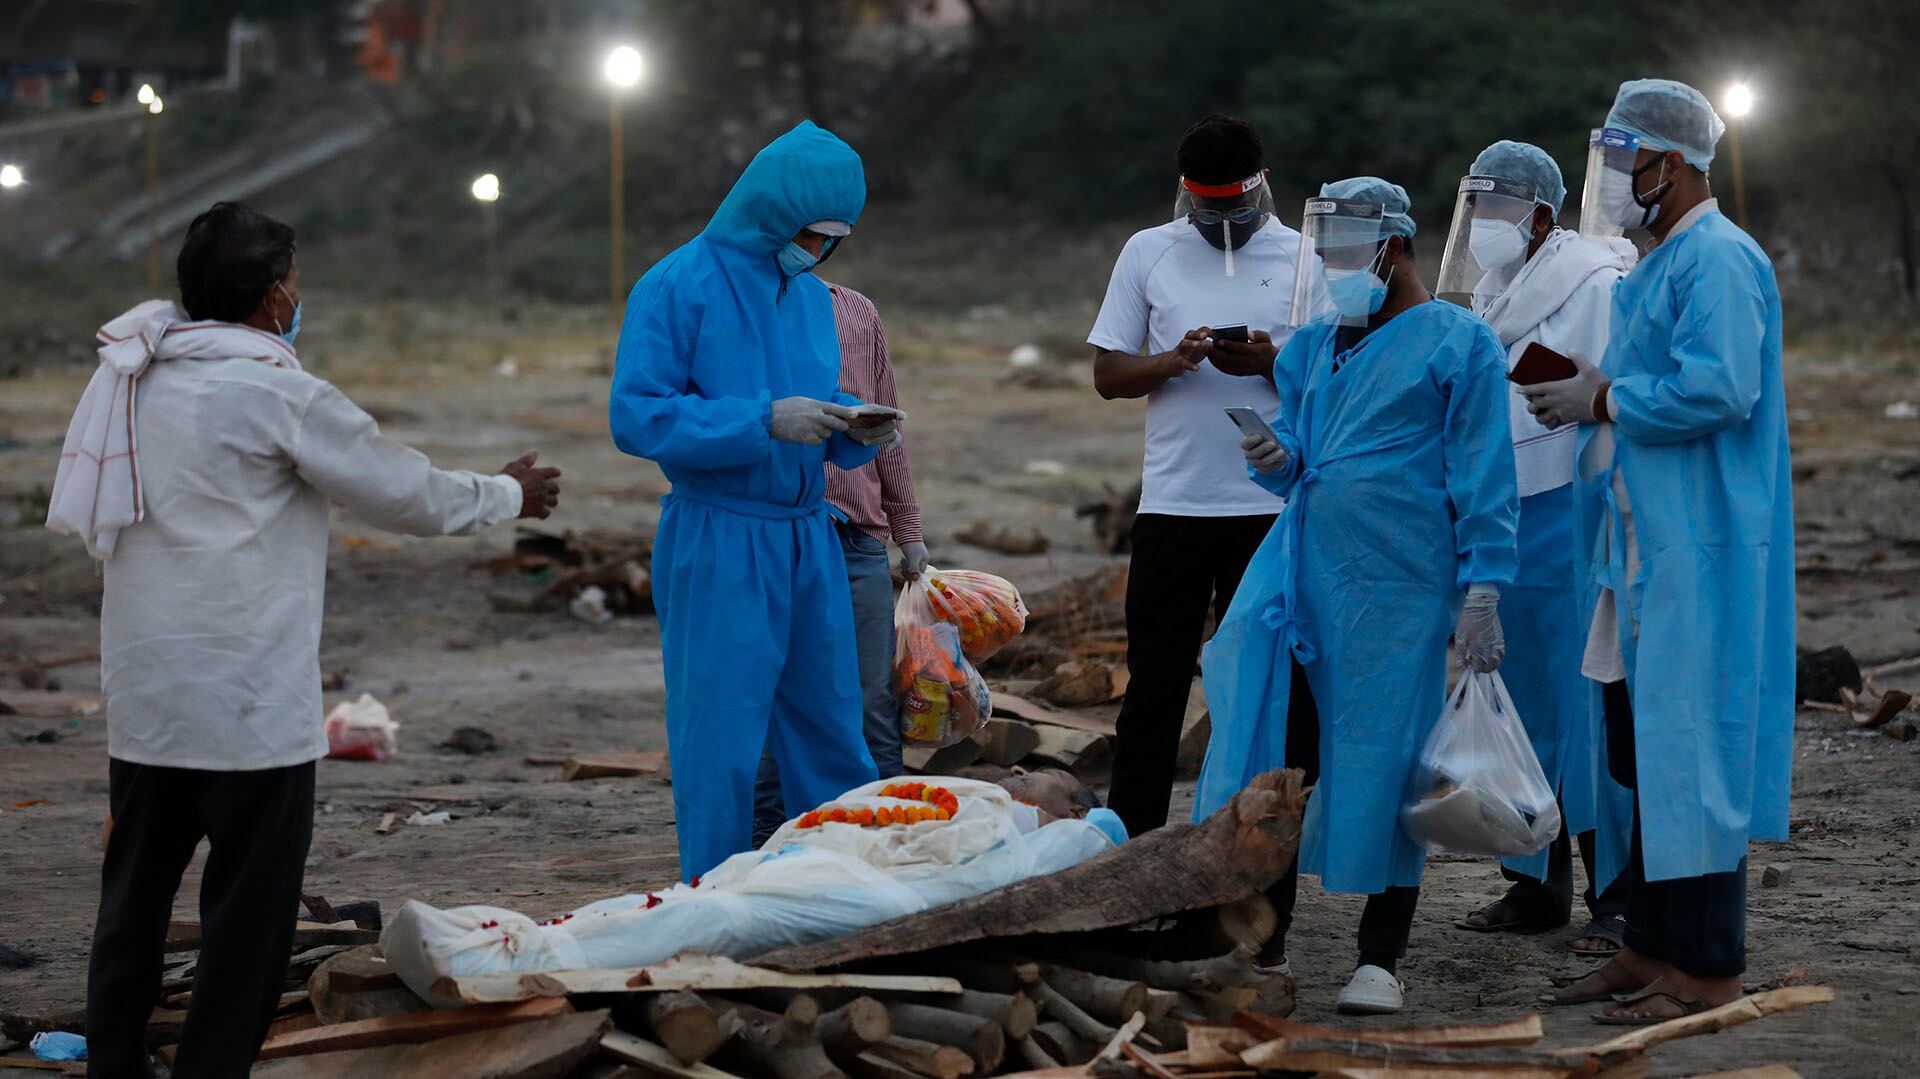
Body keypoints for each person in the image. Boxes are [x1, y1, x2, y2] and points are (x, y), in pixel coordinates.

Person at [47, 201, 560, 1075]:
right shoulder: (279, 391)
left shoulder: (134, 379)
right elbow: (404, 492)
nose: (297, 296)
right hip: (249, 711)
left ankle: (116, 1063)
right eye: (294, 281)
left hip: (146, 702)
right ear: (272, 295)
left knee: (131, 905)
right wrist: (507, 492)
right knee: (247, 920)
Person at [1195, 177, 1519, 1014]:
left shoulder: (1458, 342)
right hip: (1304, 574)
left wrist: (1484, 583)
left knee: (1387, 753)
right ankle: (1266, 934)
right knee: (1284, 750)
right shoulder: (1311, 346)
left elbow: (1485, 471)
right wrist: (1277, 456)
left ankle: (1382, 952)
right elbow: (1306, 446)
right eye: (1328, 257)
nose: (1337, 273)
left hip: (1400, 582)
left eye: (1348, 256)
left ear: (1396, 248)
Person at [1523, 79, 1793, 1023]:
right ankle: (1650, 944)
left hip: (1701, 544)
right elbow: (1649, 378)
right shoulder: (1662, 260)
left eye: (1626, 160)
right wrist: (1592, 389)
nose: (1618, 179)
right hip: (1641, 544)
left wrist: (1602, 400)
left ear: (1669, 163)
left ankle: (1709, 965)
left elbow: (1722, 388)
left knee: (1696, 754)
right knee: (1645, 752)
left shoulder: (1718, 258)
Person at [610, 121, 901, 881]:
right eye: (812, 234)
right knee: (722, 738)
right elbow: (636, 415)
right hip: (721, 534)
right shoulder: (676, 285)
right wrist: (759, 420)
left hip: (811, 535)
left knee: (830, 728)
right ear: (769, 211)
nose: (822, 252)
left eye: (835, 240)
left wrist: (854, 428)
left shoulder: (808, 297)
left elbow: (814, 408)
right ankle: (716, 896)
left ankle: (840, 884)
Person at [1433, 141, 1638, 955]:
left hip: (1575, 512)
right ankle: (1534, 882)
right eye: (1475, 207)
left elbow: (1616, 392)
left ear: (1542, 216)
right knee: (1519, 703)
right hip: (1508, 516)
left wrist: (1581, 396)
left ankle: (1616, 891)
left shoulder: (1596, 285)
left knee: (1585, 705)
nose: (1483, 225)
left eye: (1498, 209)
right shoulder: (1490, 295)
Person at [1088, 113, 1307, 839]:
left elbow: (1338, 379)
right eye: (1208, 212)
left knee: (1266, 686)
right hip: (1176, 506)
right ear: (1187, 196)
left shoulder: (1304, 257)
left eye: (1236, 212)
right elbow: (1108, 373)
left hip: (1269, 506)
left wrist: (1271, 362)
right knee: (1154, 685)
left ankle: (1254, 846)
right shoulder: (1148, 252)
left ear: (1262, 187)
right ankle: (1132, 845)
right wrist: (1171, 361)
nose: (1223, 227)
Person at [751, 281, 929, 847]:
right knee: (776, 690)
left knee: (871, 693)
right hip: (777, 531)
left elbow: (887, 428)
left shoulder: (856, 309)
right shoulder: (746, 305)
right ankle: (765, 834)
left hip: (856, 537)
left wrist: (908, 529)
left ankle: (890, 825)